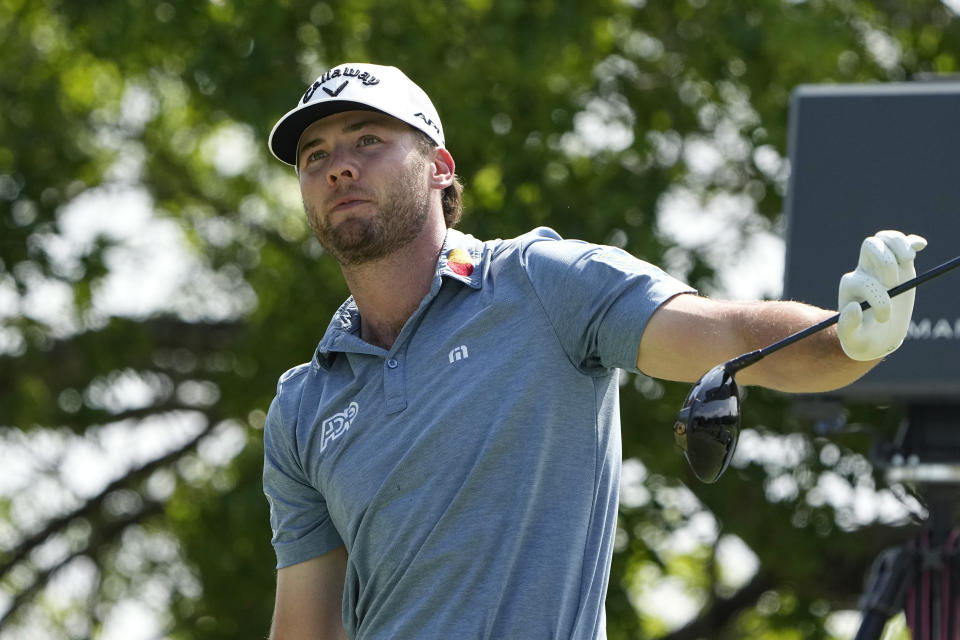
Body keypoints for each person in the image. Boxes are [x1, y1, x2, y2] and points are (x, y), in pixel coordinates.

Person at [260, 62, 926, 640]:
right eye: (314, 155)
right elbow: (305, 629)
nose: (337, 164)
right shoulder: (304, 404)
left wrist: (850, 340)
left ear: (439, 168)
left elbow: (729, 334)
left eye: (368, 139)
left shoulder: (543, 284)